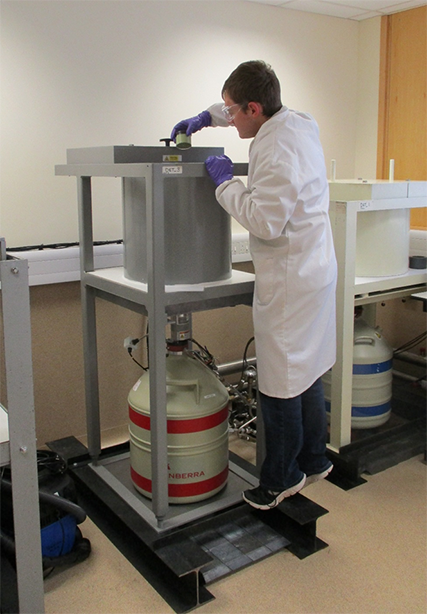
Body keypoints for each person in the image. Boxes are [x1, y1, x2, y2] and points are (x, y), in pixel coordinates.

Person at [171, 61, 337, 510]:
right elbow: (243, 111)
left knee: (281, 379)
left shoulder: (275, 148)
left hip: (291, 278)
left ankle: (280, 478)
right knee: (306, 367)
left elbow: (265, 221)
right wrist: (205, 118)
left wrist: (226, 184)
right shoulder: (296, 121)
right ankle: (315, 458)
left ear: (253, 107)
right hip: (315, 268)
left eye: (231, 110)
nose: (227, 117)